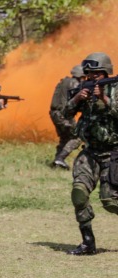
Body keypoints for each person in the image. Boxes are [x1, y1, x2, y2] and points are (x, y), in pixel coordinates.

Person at [63, 52, 118, 256]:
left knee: (111, 202)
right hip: (89, 152)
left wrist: (105, 98)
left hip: (113, 153)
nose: (92, 77)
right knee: (79, 193)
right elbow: (64, 114)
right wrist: (78, 98)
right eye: (88, 74)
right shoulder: (83, 90)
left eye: (96, 73)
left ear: (106, 73)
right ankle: (88, 242)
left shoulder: (115, 89)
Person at [49, 65, 86, 169]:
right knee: (77, 137)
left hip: (54, 114)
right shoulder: (75, 84)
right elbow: (76, 102)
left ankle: (57, 162)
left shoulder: (63, 82)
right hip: (64, 115)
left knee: (64, 138)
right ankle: (60, 158)